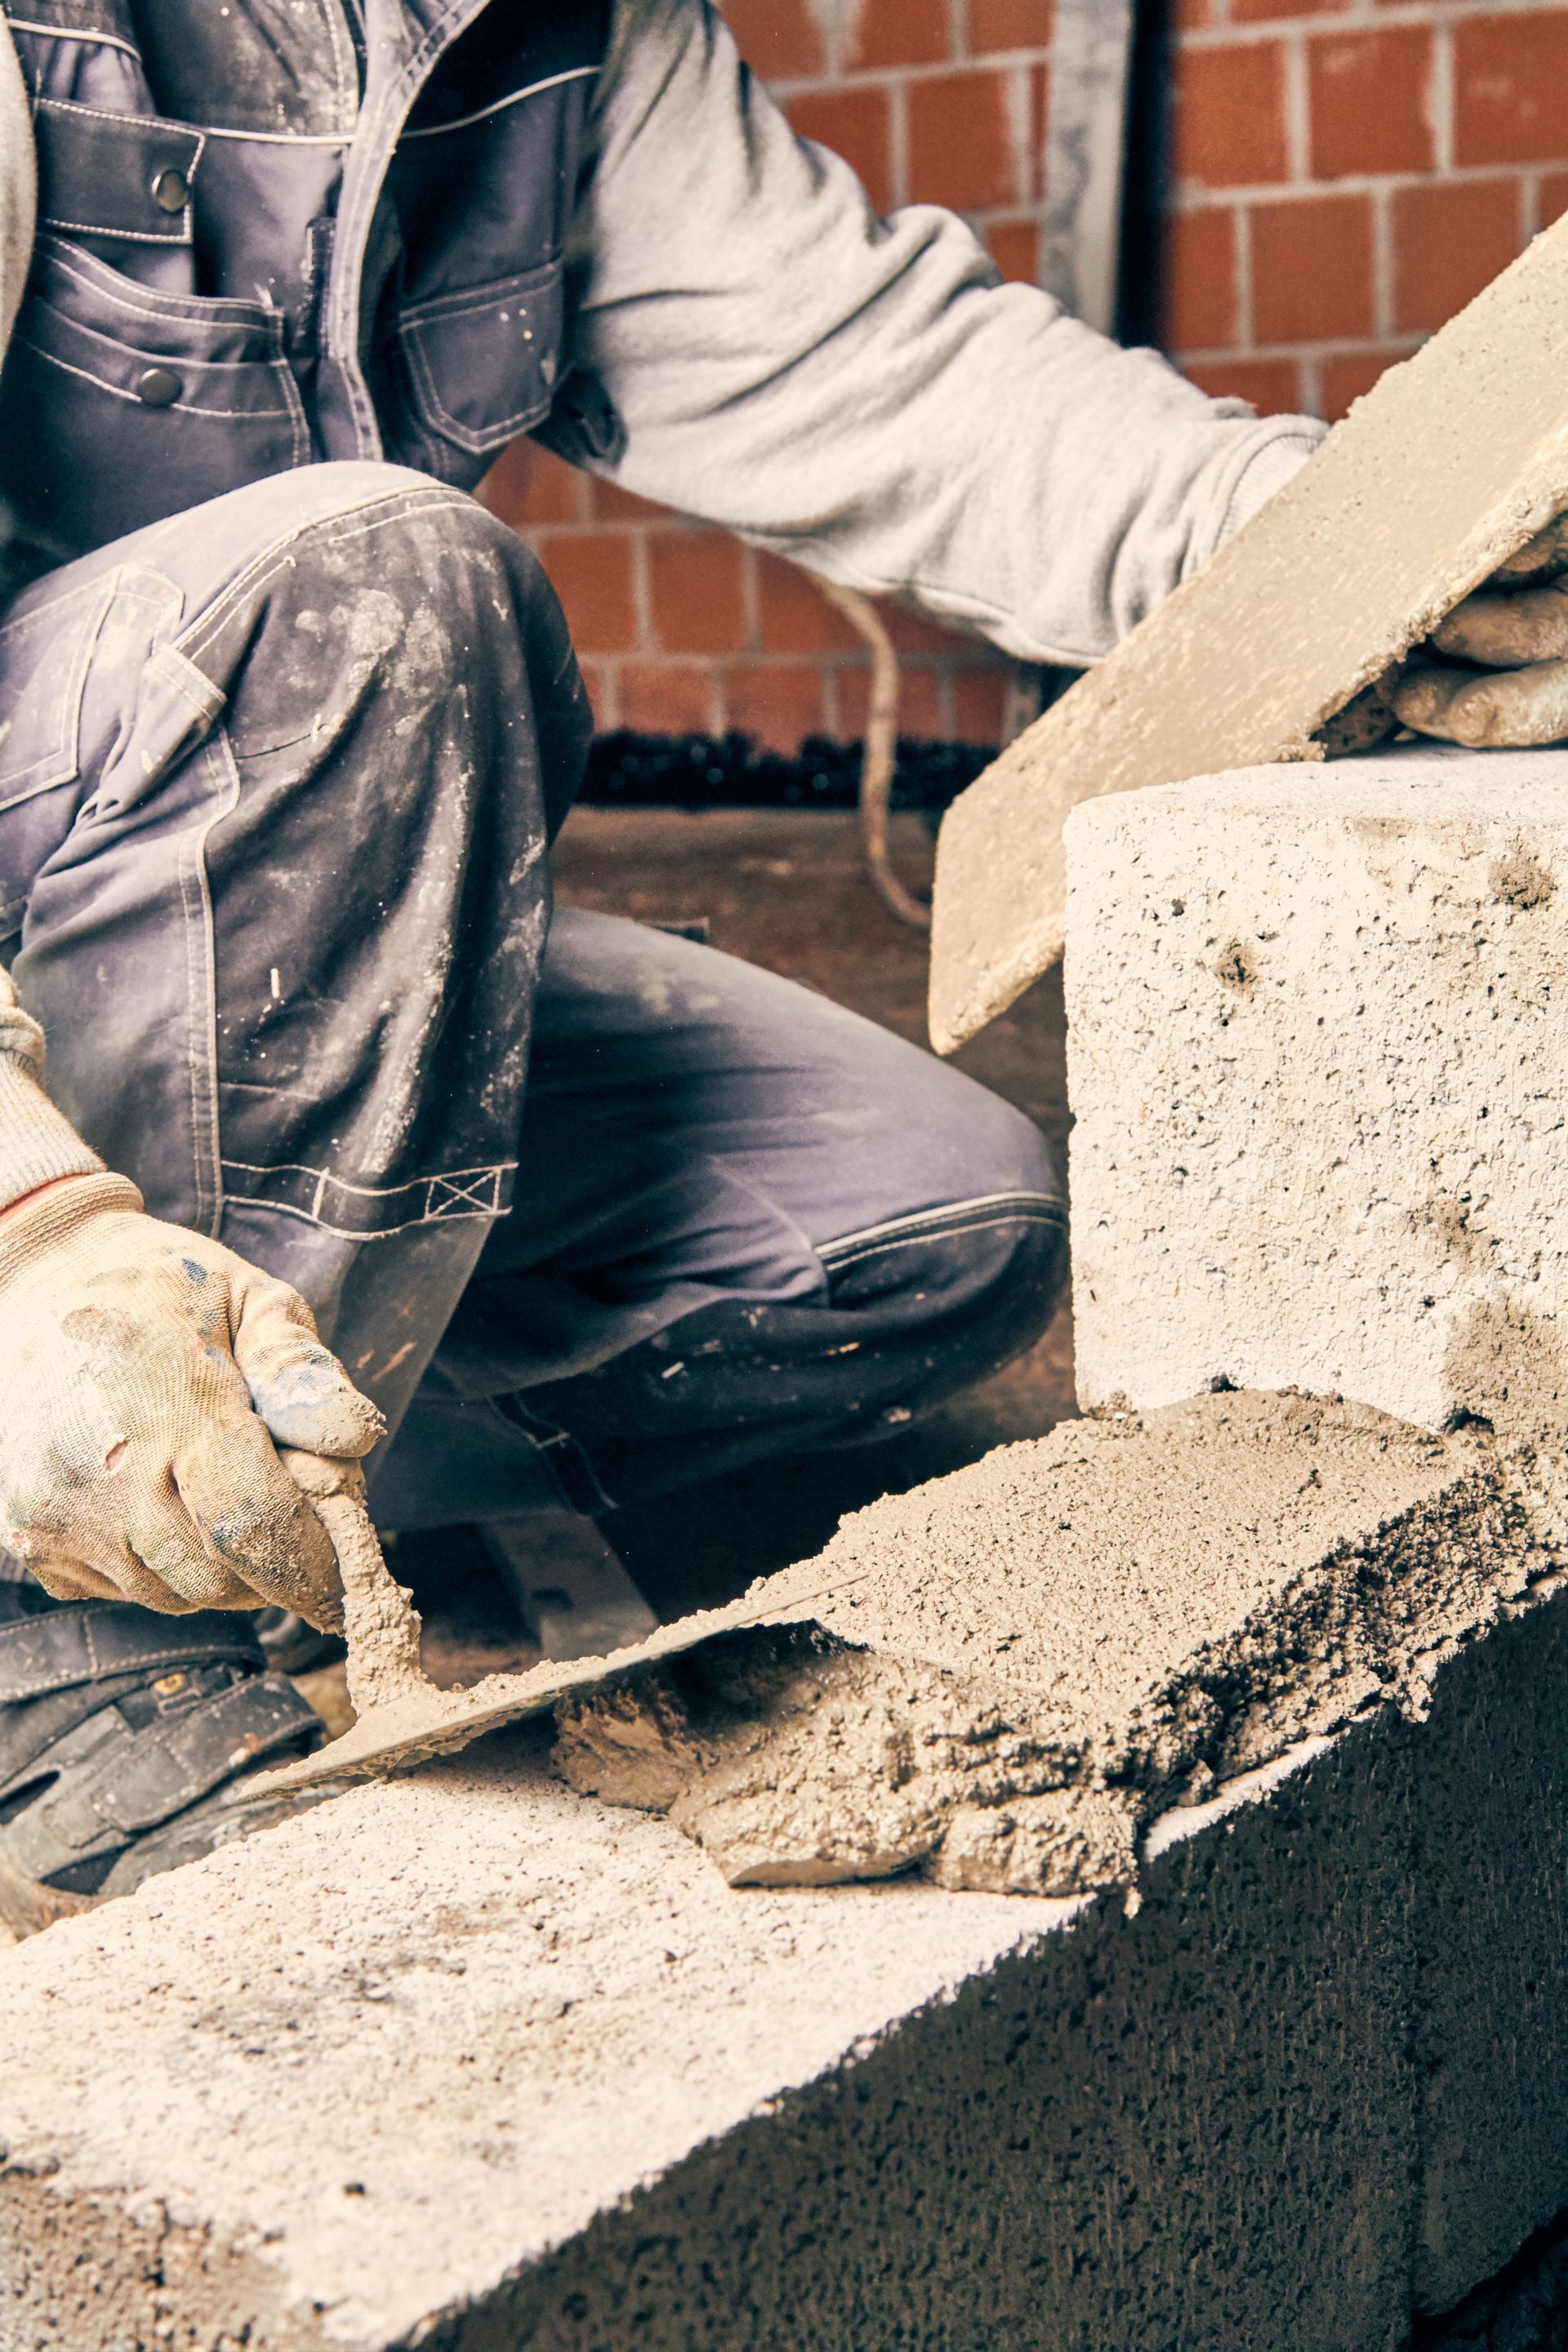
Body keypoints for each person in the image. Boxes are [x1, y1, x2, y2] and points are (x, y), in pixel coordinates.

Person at [0, 0, 1552, 1932]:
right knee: (372, 600)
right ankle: (50, 1646)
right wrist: (31, 1224)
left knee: (915, 1231)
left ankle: (260, 1485)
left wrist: (1311, 546)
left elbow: (866, 366)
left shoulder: (541, 32)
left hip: (223, 937)